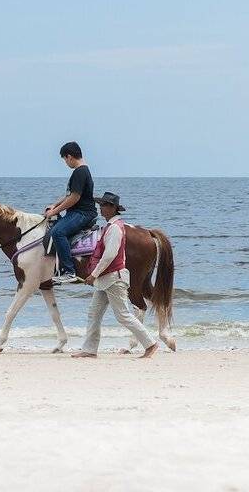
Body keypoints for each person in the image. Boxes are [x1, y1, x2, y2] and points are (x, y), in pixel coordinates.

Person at [71, 192, 159, 359]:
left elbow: (110, 255)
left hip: (113, 280)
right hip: (106, 279)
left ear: (112, 208)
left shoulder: (114, 229)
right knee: (94, 313)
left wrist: (93, 275)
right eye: (100, 205)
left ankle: (151, 344)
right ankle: (89, 349)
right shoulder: (112, 226)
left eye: (103, 205)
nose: (100, 208)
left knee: (123, 315)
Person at [44, 141, 97, 284]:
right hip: (79, 212)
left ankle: (69, 271)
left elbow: (75, 197)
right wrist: (55, 204)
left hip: (82, 213)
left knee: (57, 232)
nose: (66, 163)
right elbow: (69, 195)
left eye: (65, 159)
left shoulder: (80, 172)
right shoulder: (81, 171)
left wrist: (55, 211)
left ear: (69, 157)